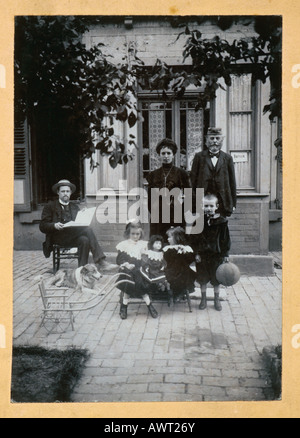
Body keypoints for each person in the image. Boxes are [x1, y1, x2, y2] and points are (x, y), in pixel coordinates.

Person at [39, 179, 117, 272]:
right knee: (88, 230)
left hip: (72, 237)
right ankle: (100, 261)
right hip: (58, 237)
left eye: (67, 191)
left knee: (85, 240)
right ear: (58, 192)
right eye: (63, 191)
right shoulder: (50, 206)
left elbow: (79, 224)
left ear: (70, 193)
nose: (65, 194)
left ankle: (81, 270)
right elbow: (42, 226)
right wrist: (54, 225)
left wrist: (83, 215)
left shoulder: (74, 207)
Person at [146, 138, 191, 242]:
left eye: (168, 153)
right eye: (163, 153)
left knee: (176, 242)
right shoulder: (153, 175)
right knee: (157, 243)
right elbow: (150, 199)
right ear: (159, 155)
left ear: (173, 154)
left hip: (176, 215)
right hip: (158, 216)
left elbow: (189, 196)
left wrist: (182, 210)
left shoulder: (181, 174)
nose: (166, 156)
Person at [192, 193, 231, 311]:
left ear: (216, 206)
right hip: (203, 255)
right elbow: (194, 239)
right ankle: (203, 299)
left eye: (211, 206)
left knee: (216, 279)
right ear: (202, 206)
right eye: (206, 206)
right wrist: (196, 253)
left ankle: (216, 299)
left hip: (216, 255)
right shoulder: (199, 221)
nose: (208, 208)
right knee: (202, 277)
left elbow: (225, 239)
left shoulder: (222, 222)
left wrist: (225, 254)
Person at [116, 221, 159, 320]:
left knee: (140, 280)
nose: (135, 236)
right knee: (129, 281)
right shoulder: (124, 245)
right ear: (128, 234)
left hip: (140, 269)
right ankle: (124, 306)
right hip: (128, 269)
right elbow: (120, 259)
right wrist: (126, 264)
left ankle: (149, 305)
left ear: (141, 234)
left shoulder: (143, 244)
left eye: (137, 234)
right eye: (133, 234)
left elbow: (148, 257)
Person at [190, 127, 237, 217]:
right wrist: (192, 203)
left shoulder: (227, 158)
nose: (215, 141)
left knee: (220, 226)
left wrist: (233, 203)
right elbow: (192, 181)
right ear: (206, 140)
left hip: (222, 201)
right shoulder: (199, 157)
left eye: (217, 138)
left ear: (222, 140)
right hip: (203, 200)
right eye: (212, 138)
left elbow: (232, 182)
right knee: (203, 227)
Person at [163, 226, 196, 304]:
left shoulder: (185, 248)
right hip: (171, 270)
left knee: (184, 276)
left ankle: (180, 293)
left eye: (170, 237)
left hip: (183, 271)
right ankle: (175, 294)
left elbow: (190, 260)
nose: (168, 239)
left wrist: (183, 252)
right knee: (171, 277)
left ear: (176, 238)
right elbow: (167, 260)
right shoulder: (168, 248)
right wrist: (174, 251)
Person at [140, 234, 171, 303]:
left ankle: (167, 291)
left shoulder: (161, 253)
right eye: (156, 243)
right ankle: (154, 290)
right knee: (150, 278)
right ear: (152, 244)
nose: (158, 245)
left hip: (158, 270)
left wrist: (163, 266)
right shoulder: (149, 253)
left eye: (160, 243)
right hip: (151, 270)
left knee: (163, 276)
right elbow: (145, 260)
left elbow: (163, 261)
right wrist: (146, 266)